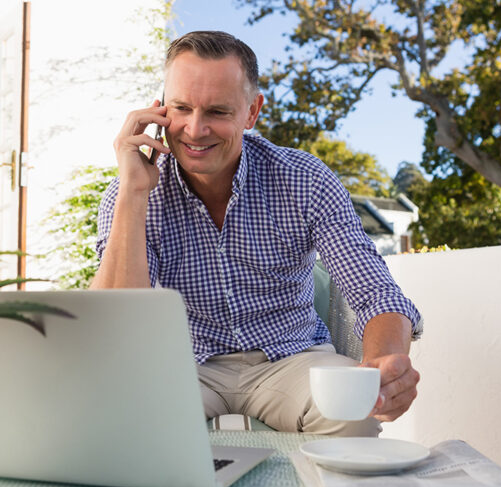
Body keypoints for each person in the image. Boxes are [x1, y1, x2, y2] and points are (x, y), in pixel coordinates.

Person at [91, 31, 422, 436]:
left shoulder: (305, 179)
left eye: (217, 111)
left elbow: (374, 290)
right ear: (160, 108)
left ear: (251, 112)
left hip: (293, 361)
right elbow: (113, 326)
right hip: (183, 365)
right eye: (181, 108)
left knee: (353, 415)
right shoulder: (130, 192)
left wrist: (386, 368)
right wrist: (133, 193)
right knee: (110, 413)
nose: (195, 130)